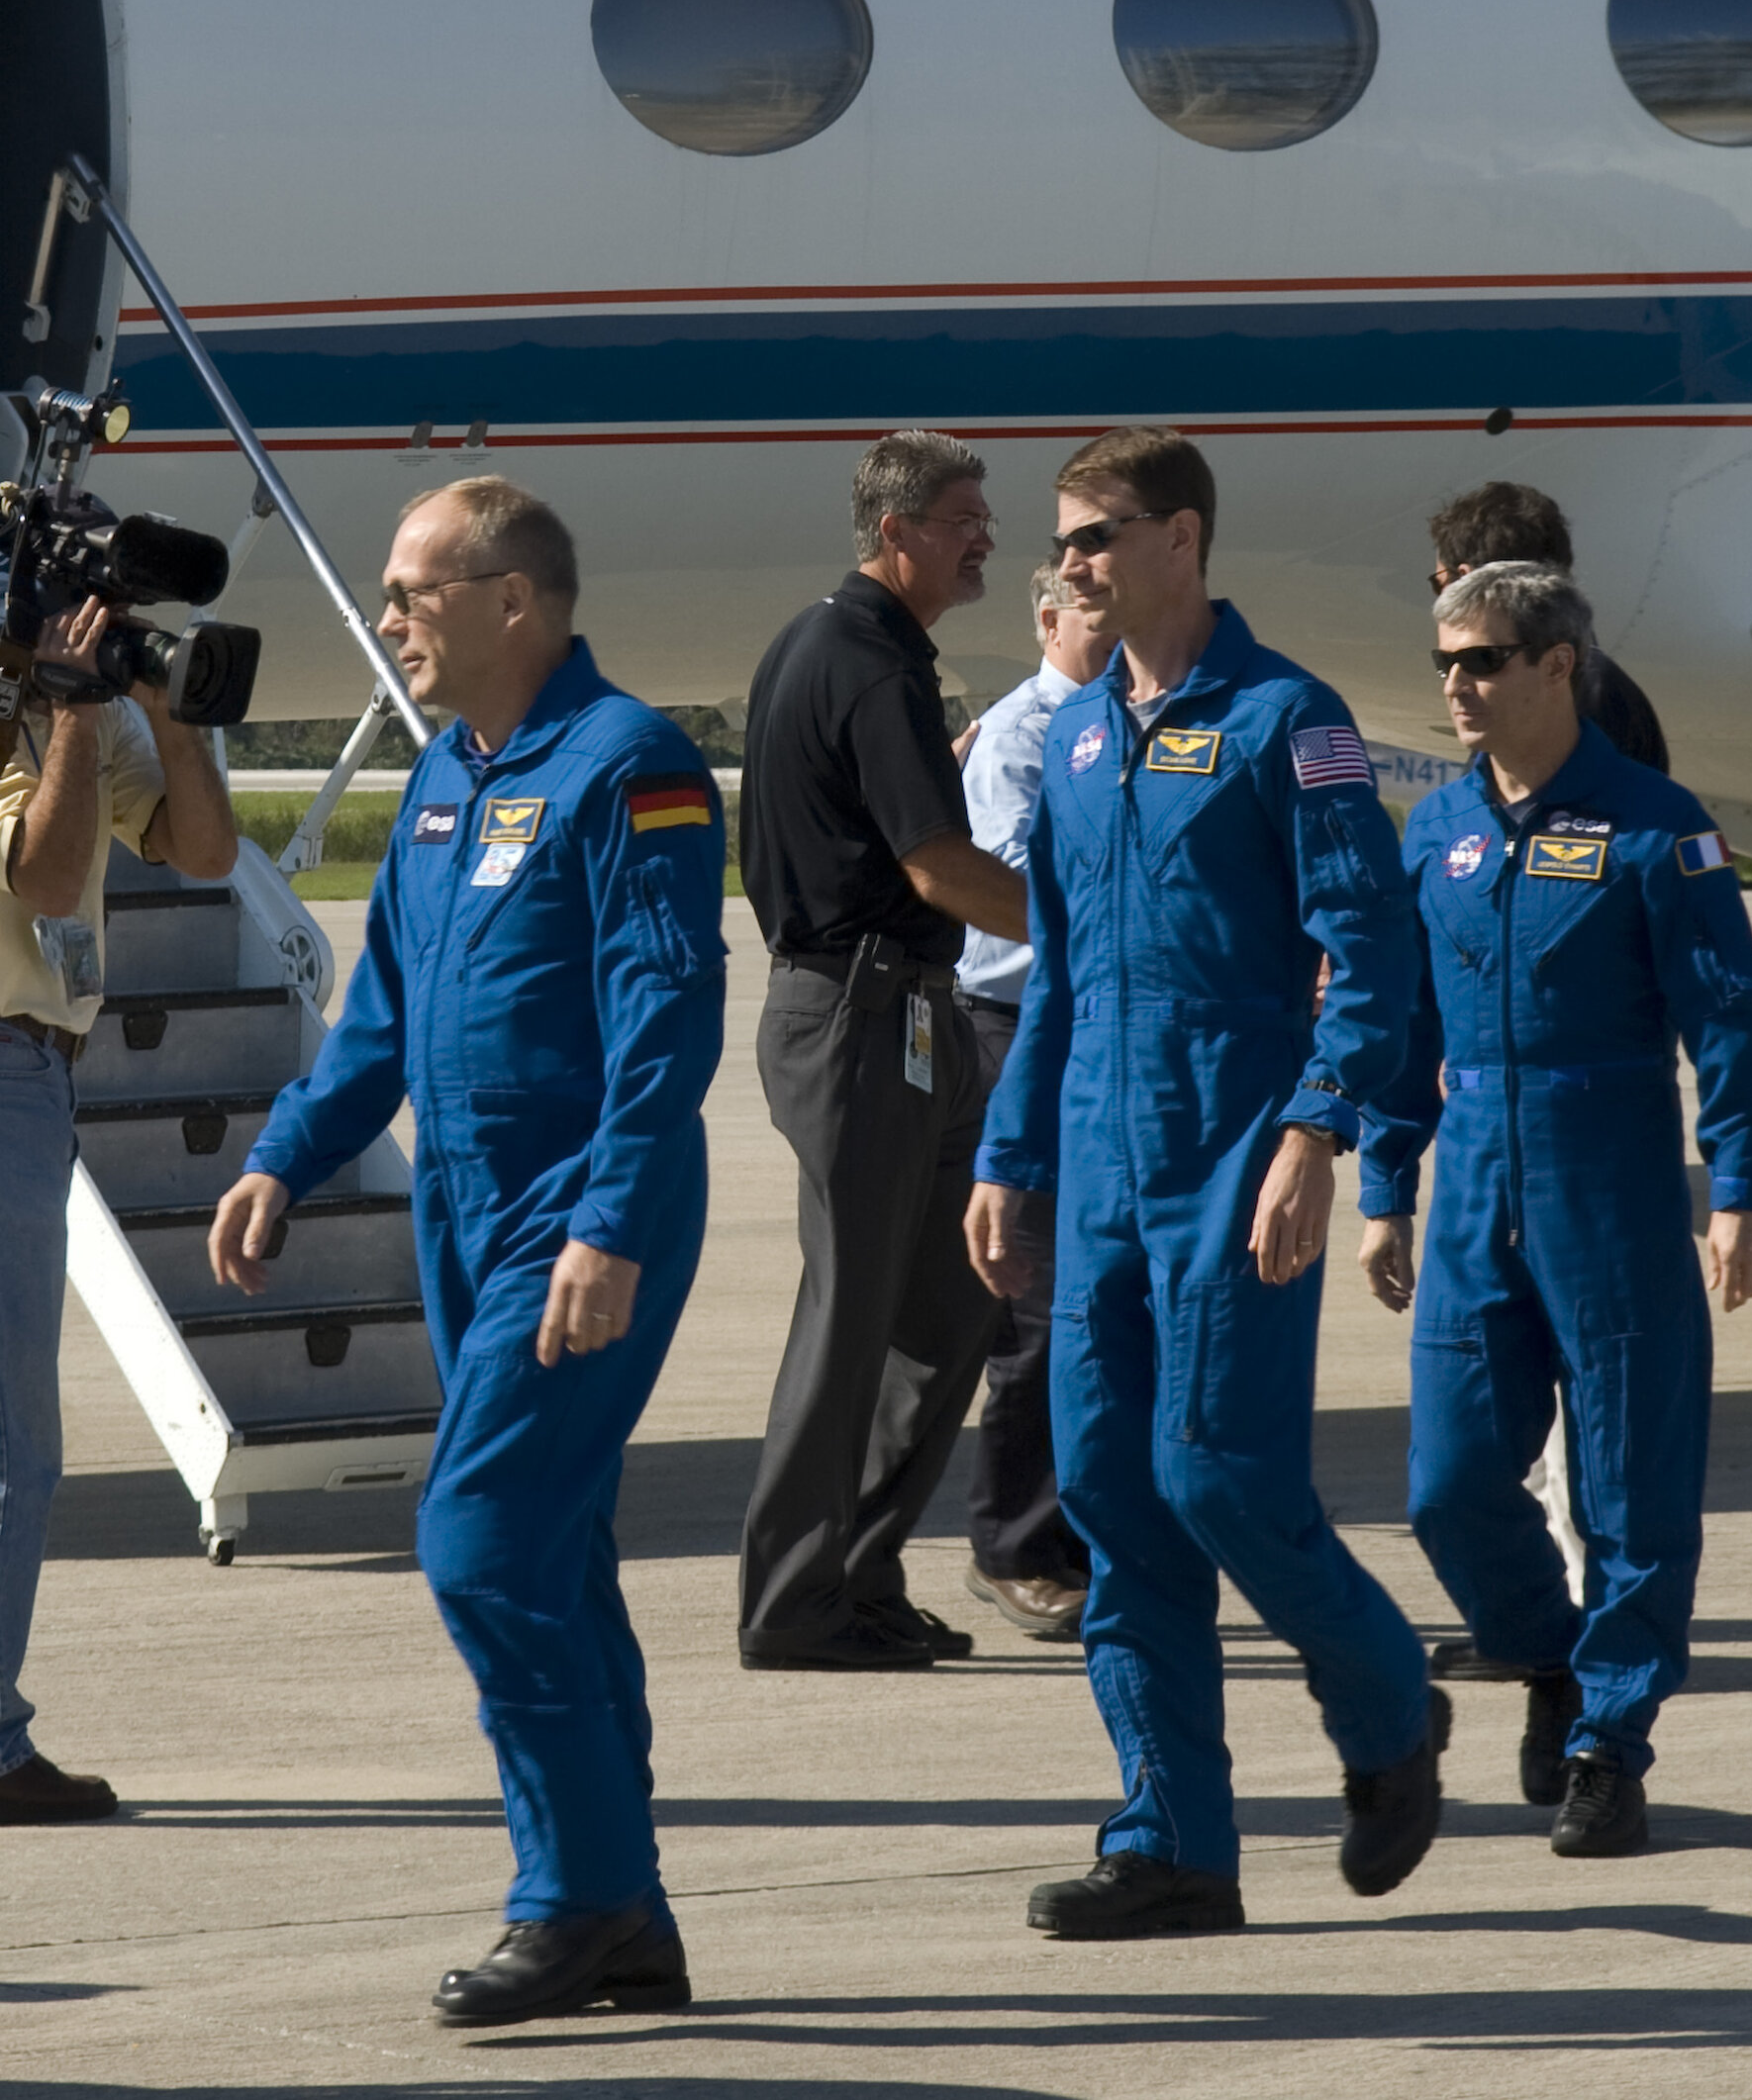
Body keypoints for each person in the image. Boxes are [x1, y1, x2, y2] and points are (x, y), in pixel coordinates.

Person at [208, 479, 725, 2028]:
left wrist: (609, 1222)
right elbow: (383, 1017)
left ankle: (572, 1897)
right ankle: (628, 1917)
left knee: (481, 1540)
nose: (388, 620)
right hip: (470, 1207)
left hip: (576, 1209)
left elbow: (665, 1018)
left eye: (411, 592)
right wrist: (286, 1151)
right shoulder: (446, 775)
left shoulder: (630, 764)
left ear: (515, 599)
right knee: (554, 1552)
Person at [967, 427, 1446, 1941]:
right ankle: (1170, 1836)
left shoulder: (1285, 719)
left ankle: (1387, 1703)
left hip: (1235, 1150)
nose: (1073, 565)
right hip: (1101, 1157)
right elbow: (1053, 976)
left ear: (1182, 537)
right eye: (1064, 542)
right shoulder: (1085, 739)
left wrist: (1317, 1131)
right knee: (1110, 1489)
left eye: (1099, 534)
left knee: (1217, 1473)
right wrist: (1008, 1153)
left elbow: (1368, 953)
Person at [1359, 561, 1752, 1858]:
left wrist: (1743, 1189)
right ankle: (1549, 1655)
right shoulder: (1436, 831)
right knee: (1448, 1481)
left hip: (1612, 1184)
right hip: (1479, 1179)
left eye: (1482, 660)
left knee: (1630, 1491)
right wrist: (1386, 1182)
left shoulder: (1659, 826)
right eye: (1447, 661)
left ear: (1557, 666)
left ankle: (1609, 1743)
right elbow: (1406, 1018)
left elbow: (1727, 1017)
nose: (1456, 686)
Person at [737, 430, 1027, 1672]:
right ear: (896, 531)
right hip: (856, 1019)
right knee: (852, 1315)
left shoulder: (862, 650)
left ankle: (857, 1571)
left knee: (954, 1302)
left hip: (911, 1011)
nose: (986, 538)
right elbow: (934, 863)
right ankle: (792, 1605)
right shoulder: (863, 659)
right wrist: (1096, 927)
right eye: (965, 518)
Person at [0, 599, 238, 1825]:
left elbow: (202, 853)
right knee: (10, 1448)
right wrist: (81, 710)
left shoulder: (70, 709)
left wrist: (168, 712)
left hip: (36, 1065)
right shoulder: (32, 716)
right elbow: (42, 877)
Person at [958, 563, 1115, 1641]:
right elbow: (1016, 880)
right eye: (1095, 616)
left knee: (1105, 1301)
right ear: (1048, 622)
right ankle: (1012, 1546)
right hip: (1021, 1032)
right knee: (1037, 1306)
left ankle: (1094, 1532)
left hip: (1107, 1029)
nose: (1119, 632)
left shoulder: (1130, 724)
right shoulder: (1025, 735)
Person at [1427, 482, 1669, 771]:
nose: (1453, 687)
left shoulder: (1587, 693)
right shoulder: (1601, 687)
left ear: (1466, 578)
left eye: (1484, 661)